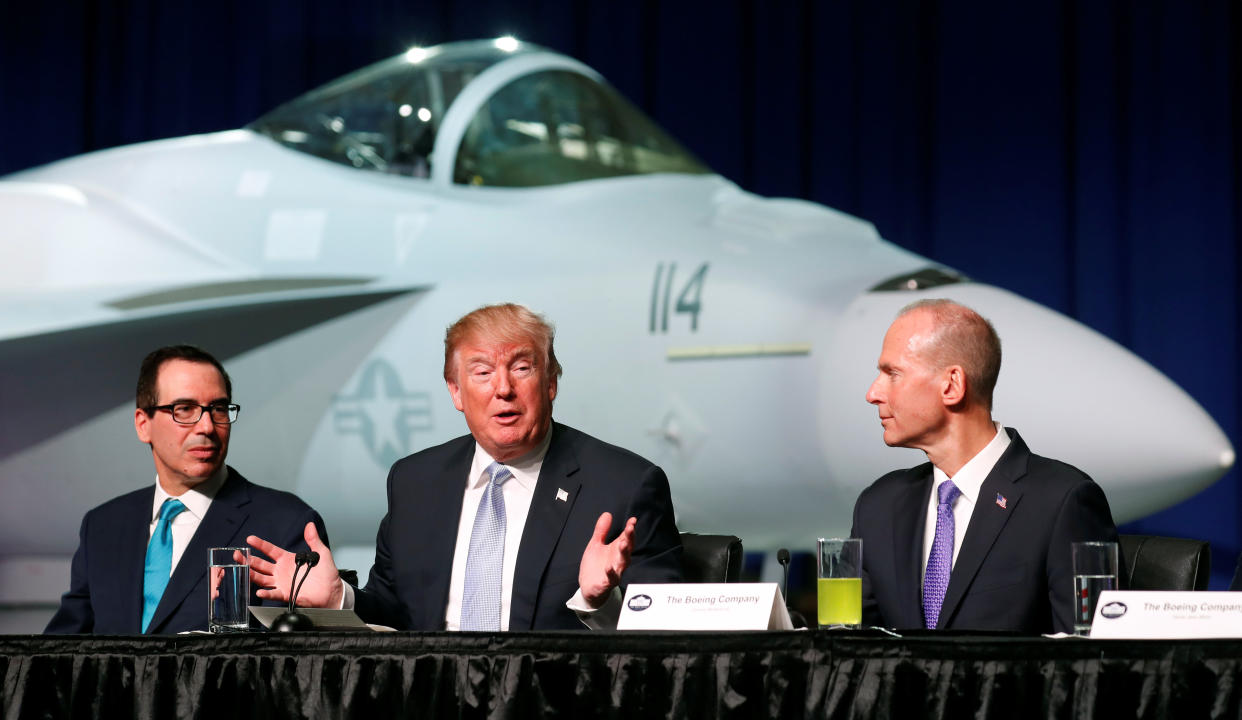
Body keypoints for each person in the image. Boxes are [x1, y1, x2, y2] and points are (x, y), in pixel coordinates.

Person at [247, 303, 683, 630]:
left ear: (551, 383)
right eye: (481, 372)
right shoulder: (414, 482)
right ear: (455, 392)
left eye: (522, 367)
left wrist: (599, 601)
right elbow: (396, 617)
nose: (503, 389)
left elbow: (670, 646)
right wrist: (339, 597)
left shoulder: (623, 486)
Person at [850, 299, 1118, 633]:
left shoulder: (1062, 502)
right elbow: (852, 657)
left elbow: (1090, 660)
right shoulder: (878, 506)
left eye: (892, 374)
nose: (872, 393)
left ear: (952, 385)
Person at [46, 345, 328, 634]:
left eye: (218, 409)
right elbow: (61, 652)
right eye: (184, 409)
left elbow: (300, 659)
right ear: (143, 425)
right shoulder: (103, 526)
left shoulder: (286, 523)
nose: (206, 426)